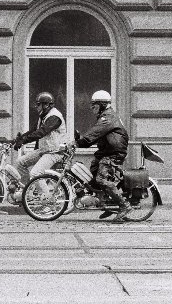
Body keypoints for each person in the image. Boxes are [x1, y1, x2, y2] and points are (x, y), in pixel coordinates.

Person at [73, 90, 131, 223]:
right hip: (106, 152)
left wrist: (78, 142)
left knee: (100, 180)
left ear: (102, 105)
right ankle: (107, 203)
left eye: (94, 105)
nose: (92, 108)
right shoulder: (104, 116)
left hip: (113, 153)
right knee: (93, 175)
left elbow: (94, 133)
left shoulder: (107, 117)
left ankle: (124, 206)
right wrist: (82, 143)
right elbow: (95, 136)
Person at [12, 92, 67, 185]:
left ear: (46, 105)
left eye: (38, 104)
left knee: (35, 174)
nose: (36, 107)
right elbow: (33, 131)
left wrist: (23, 141)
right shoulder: (43, 116)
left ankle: (46, 197)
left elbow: (41, 132)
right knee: (20, 163)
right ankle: (26, 190)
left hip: (55, 152)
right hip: (45, 150)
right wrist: (18, 139)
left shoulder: (54, 117)